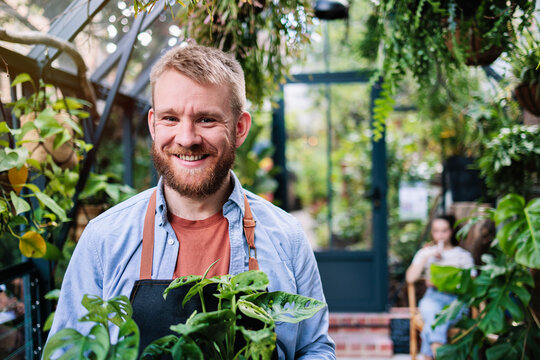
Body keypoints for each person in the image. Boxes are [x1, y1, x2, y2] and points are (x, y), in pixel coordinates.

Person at [47, 44, 335, 359]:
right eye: (171, 118)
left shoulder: (286, 237)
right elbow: (66, 352)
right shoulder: (104, 240)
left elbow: (313, 347)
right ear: (153, 125)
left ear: (239, 128)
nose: (187, 138)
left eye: (206, 120)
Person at [406, 214, 474, 360]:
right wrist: (426, 256)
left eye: (444, 230)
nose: (440, 235)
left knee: (433, 323)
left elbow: (471, 284)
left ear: (451, 232)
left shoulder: (463, 256)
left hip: (457, 300)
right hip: (432, 297)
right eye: (436, 231)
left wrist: (445, 284)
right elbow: (410, 278)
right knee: (434, 316)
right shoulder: (426, 253)